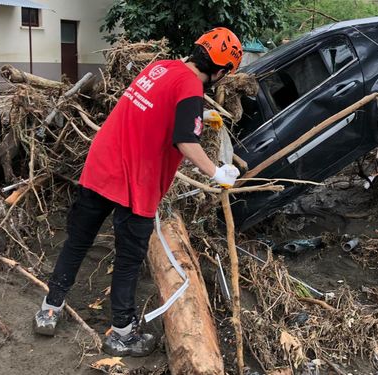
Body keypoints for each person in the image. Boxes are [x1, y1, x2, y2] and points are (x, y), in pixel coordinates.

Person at [33, 28, 243, 357]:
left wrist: (196, 118)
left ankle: (50, 308)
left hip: (102, 165)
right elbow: (186, 141)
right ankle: (123, 333)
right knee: (129, 260)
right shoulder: (191, 89)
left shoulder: (160, 67)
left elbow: (155, 108)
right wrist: (217, 172)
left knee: (77, 241)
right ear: (219, 71)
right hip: (135, 180)